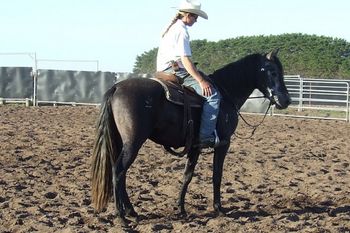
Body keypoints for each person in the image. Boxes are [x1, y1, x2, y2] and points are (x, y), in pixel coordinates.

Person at [156, 0, 225, 149]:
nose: (196, 20)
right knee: (212, 95)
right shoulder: (182, 31)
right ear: (188, 15)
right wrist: (200, 80)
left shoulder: (172, 28)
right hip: (173, 70)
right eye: (195, 17)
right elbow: (186, 60)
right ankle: (205, 137)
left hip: (164, 68)